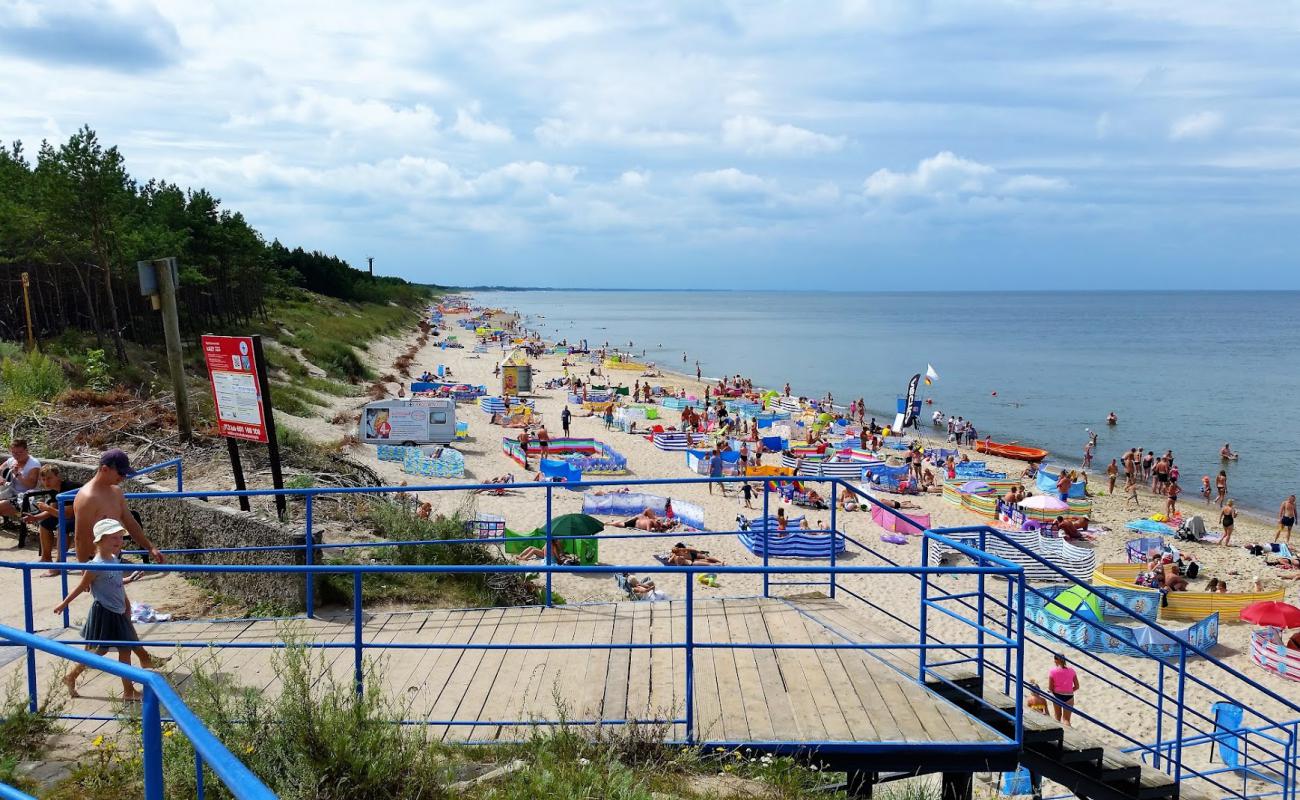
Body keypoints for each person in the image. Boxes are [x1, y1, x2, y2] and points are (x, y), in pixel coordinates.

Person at [54, 519, 165, 700]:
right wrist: (64, 604)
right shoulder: (95, 566)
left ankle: (128, 691)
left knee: (124, 650)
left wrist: (130, 580)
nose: (119, 542)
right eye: (114, 538)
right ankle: (72, 676)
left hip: (118, 611)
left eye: (120, 538)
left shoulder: (114, 559)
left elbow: (115, 583)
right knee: (99, 652)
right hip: (105, 613)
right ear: (100, 540)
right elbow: (82, 586)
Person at [72, 449, 165, 567]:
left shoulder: (116, 492)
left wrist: (150, 548)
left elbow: (130, 523)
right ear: (105, 469)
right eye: (121, 473)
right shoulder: (88, 498)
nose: (123, 477)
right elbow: (81, 538)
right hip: (95, 562)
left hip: (115, 559)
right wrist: (85, 571)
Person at [22, 465, 79, 577]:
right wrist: (35, 518)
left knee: (63, 525)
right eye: (43, 479)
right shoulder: (54, 490)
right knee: (45, 523)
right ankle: (46, 558)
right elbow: (52, 511)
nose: (46, 482)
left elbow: (67, 514)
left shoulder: (68, 487)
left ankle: (59, 565)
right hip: (72, 516)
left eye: (49, 478)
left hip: (87, 516)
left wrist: (48, 508)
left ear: (58, 476)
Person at [0, 438, 41, 524]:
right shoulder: (12, 460)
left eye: (20, 453)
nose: (16, 455)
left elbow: (31, 485)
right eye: (14, 453)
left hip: (26, 498)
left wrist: (18, 474)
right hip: (11, 493)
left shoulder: (33, 464)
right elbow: (0, 469)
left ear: (26, 451)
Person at [1048, 654, 1079, 726]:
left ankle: (1056, 735)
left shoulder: (1052, 671)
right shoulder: (1072, 671)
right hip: (1069, 696)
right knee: (1066, 720)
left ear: (1056, 660)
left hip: (1057, 695)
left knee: (1057, 717)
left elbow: (1050, 688)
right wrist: (1069, 691)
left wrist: (1052, 691)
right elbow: (1077, 686)